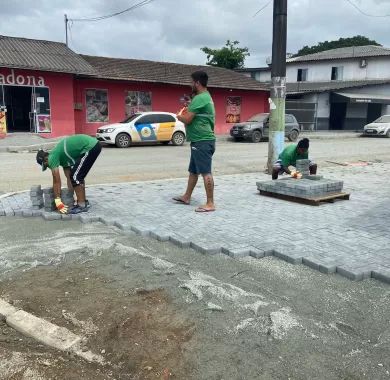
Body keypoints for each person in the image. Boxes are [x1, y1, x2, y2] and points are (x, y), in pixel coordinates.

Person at [174, 71, 216, 212]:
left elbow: (188, 119)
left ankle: (210, 203)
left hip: (202, 141)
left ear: (197, 83)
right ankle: (187, 196)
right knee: (193, 171)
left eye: (192, 82)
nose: (190, 84)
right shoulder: (206, 97)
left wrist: (179, 116)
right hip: (200, 141)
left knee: (205, 172)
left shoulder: (200, 98)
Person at [36, 134, 102, 214]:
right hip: (93, 145)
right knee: (76, 176)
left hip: (90, 146)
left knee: (76, 177)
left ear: (46, 159)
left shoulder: (52, 157)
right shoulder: (62, 158)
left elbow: (56, 181)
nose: (49, 167)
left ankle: (81, 205)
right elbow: (68, 177)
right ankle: (83, 201)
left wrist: (58, 202)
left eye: (46, 165)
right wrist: (69, 196)